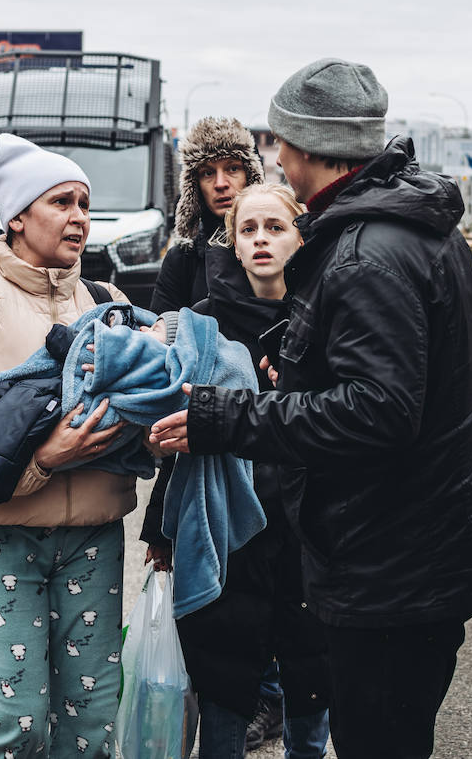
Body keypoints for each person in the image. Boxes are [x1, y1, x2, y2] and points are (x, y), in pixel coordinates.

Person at [150, 59, 472, 759]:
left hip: (392, 569)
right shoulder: (407, 227)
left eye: (280, 142)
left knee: (376, 738)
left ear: (310, 147)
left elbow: (378, 411)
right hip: (420, 551)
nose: (275, 157)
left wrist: (227, 416)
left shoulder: (366, 255)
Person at [0, 133, 139, 759]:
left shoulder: (108, 304)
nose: (79, 218)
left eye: (84, 204)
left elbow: (148, 403)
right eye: (61, 202)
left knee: (93, 725)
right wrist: (45, 460)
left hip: (92, 539)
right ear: (16, 216)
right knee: (13, 727)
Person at [142, 182, 331, 759]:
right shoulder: (202, 322)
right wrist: (159, 528)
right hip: (225, 528)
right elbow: (179, 423)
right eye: (248, 229)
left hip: (308, 527)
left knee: (311, 673)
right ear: (233, 242)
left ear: (301, 236)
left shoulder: (324, 314)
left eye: (275, 227)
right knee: (224, 674)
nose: (262, 240)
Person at [151, 117, 263, 315]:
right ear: (194, 185)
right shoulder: (182, 259)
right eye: (208, 173)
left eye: (233, 168)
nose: (220, 183)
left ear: (251, 175)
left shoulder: (278, 244)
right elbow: (161, 335)